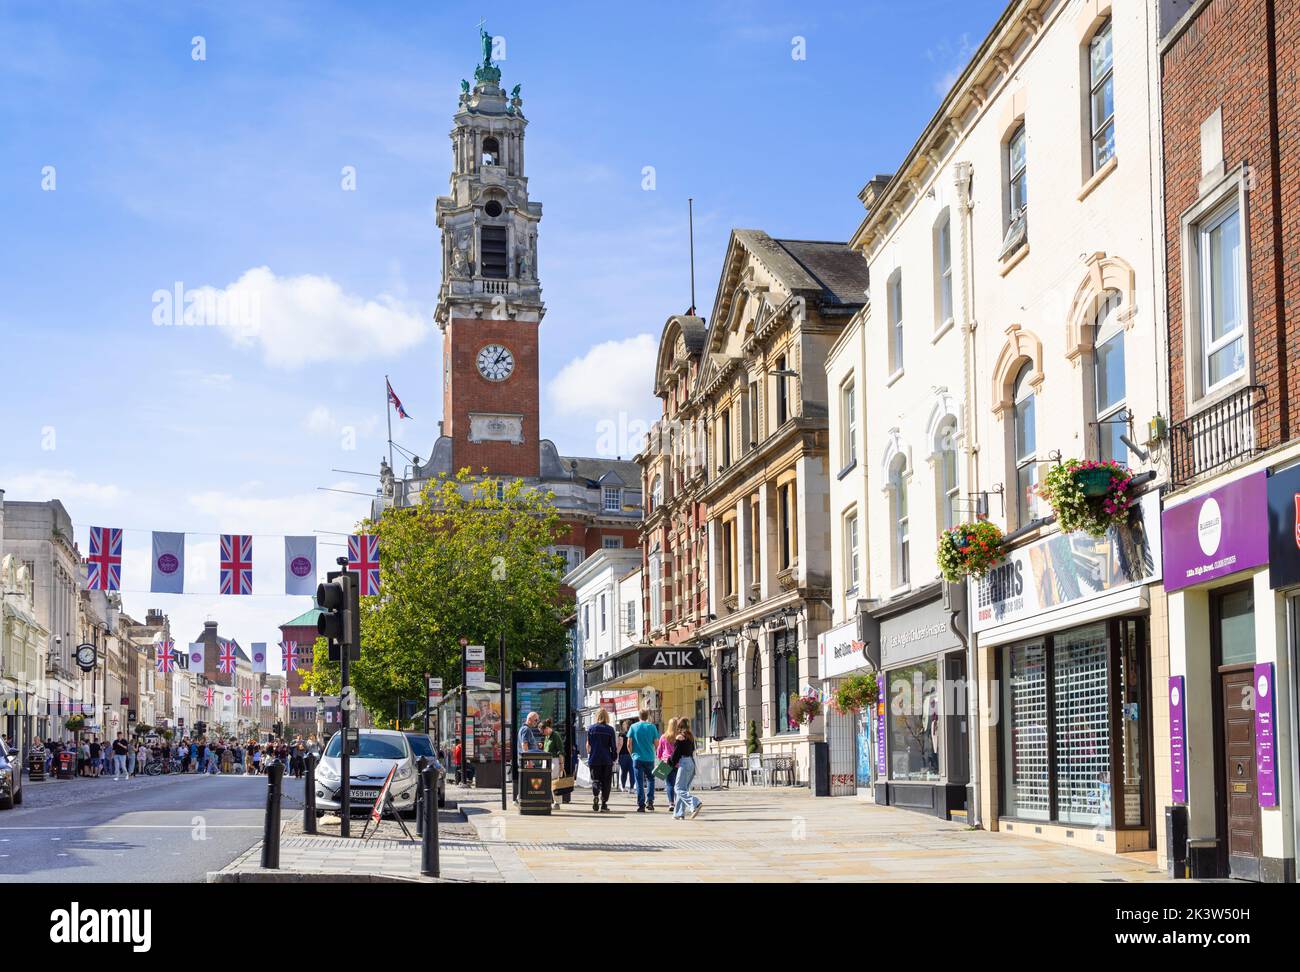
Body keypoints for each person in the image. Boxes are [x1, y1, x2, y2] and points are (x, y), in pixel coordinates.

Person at [627, 709, 659, 812]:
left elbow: (628, 744)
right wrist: (655, 752)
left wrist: (632, 754)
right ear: (648, 716)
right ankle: (650, 802)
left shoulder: (633, 727)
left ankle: (641, 805)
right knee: (651, 779)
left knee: (639, 781)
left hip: (637, 758)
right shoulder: (652, 727)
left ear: (639, 716)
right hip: (649, 758)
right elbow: (656, 743)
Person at [585, 708, 617, 812]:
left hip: (594, 759)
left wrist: (590, 754)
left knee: (595, 780)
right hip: (606, 759)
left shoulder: (591, 729)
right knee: (606, 782)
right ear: (607, 717)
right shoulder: (610, 729)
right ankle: (604, 804)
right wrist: (614, 758)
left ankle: (595, 795)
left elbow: (588, 745)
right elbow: (613, 746)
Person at [669, 718, 702, 820]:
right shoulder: (690, 736)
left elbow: (676, 754)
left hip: (684, 763)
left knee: (677, 788)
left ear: (679, 726)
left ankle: (695, 803)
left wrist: (669, 762)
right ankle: (678, 813)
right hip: (691, 763)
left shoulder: (680, 737)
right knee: (683, 789)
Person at [657, 717, 680, 809]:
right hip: (678, 762)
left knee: (669, 784)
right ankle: (678, 802)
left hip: (666, 762)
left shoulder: (664, 737)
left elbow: (659, 751)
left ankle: (671, 803)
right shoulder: (680, 737)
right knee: (678, 784)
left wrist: (660, 758)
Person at [542, 719, 564, 809]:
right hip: (547, 760)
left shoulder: (555, 735)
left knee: (555, 782)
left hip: (554, 761)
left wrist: (561, 763)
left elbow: (560, 750)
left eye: (543, 731)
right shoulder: (547, 736)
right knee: (547, 782)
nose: (542, 733)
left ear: (547, 728)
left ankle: (557, 802)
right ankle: (550, 800)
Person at [616, 722, 633, 793]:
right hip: (631, 755)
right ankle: (632, 788)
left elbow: (620, 744)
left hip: (623, 755)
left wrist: (617, 753)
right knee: (632, 772)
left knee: (624, 771)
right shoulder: (632, 733)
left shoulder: (621, 734)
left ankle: (623, 787)